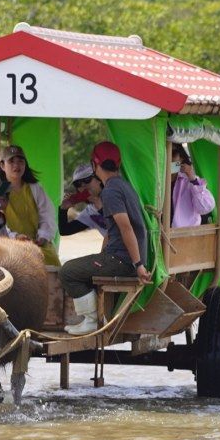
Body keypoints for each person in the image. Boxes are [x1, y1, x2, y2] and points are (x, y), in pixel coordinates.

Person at [60, 141, 151, 335]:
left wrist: (138, 265)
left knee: (68, 271)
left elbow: (126, 228)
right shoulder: (124, 186)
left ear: (94, 165)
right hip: (122, 257)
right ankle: (94, 316)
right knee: (83, 267)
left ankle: (93, 320)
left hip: (121, 260)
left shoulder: (110, 192)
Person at [0, 145, 60, 265]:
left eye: (20, 161)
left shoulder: (34, 188)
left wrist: (43, 236)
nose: (16, 165)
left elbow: (47, 215)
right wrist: (15, 237)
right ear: (2, 166)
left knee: (52, 266)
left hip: (37, 243)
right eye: (11, 161)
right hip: (6, 245)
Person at [170, 143, 215, 227]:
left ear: (181, 158)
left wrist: (192, 179)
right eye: (164, 152)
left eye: (173, 153)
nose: (168, 157)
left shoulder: (189, 181)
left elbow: (206, 207)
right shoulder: (154, 180)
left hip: (185, 234)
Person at [59, 163, 108, 237]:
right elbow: (64, 230)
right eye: (77, 184)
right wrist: (63, 209)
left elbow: (122, 227)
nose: (83, 185)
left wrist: (98, 204)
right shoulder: (90, 211)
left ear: (99, 179)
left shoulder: (116, 196)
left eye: (87, 179)